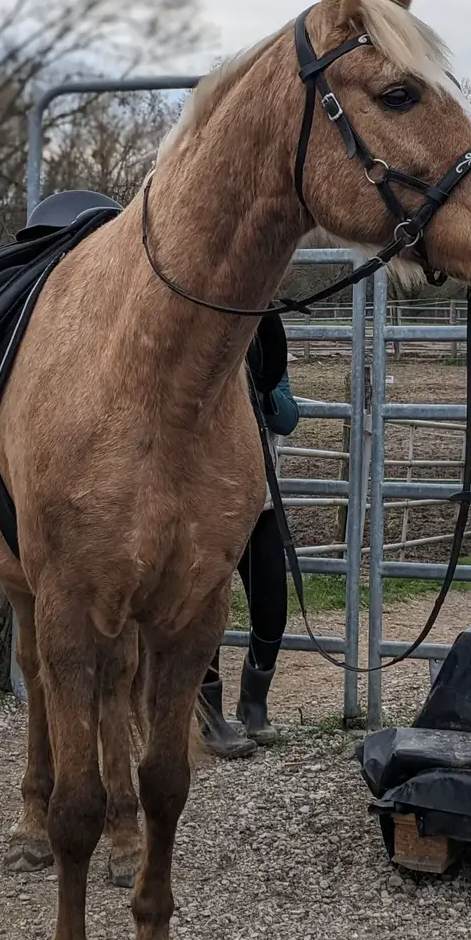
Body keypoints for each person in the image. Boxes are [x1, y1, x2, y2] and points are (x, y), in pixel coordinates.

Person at [198, 311, 299, 759]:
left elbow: (289, 418)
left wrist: (262, 395)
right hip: (208, 505)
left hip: (259, 505)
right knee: (203, 610)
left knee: (272, 606)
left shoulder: (266, 350)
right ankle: (208, 714)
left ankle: (253, 704)